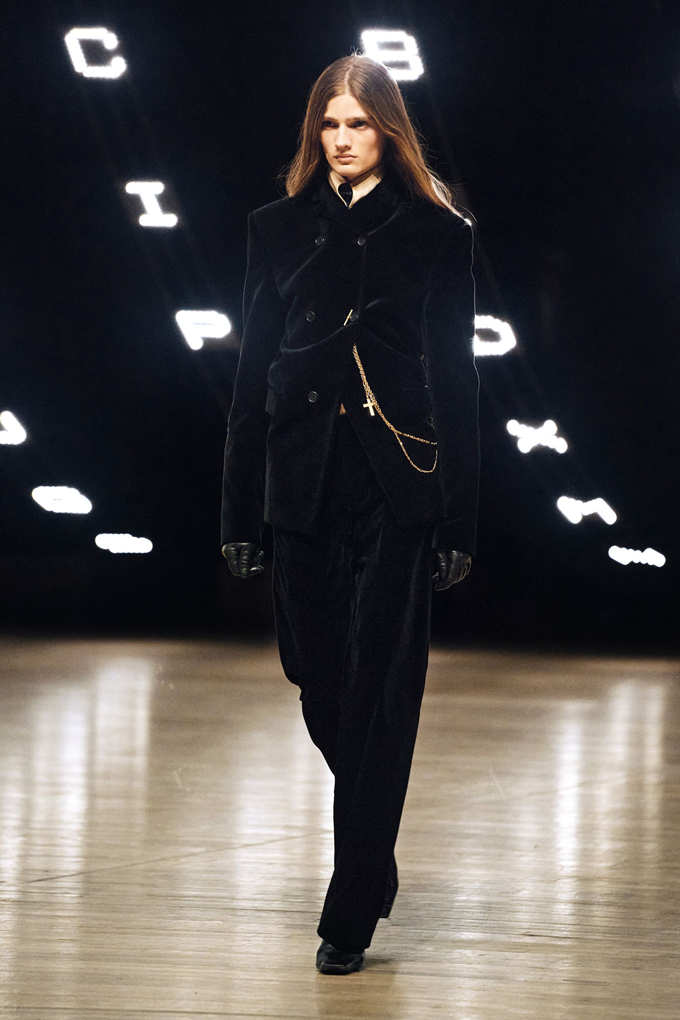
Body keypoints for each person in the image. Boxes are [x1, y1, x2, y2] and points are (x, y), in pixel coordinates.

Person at [220, 53, 479, 975]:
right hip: (302, 480)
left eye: (359, 123)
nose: (342, 138)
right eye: (329, 123)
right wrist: (238, 511)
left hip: (397, 485)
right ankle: (376, 849)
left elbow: (458, 378)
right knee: (317, 677)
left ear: (387, 131)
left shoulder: (437, 233)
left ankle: (350, 906)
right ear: (314, 133)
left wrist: (459, 518)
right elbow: (251, 373)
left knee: (382, 692)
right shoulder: (278, 228)